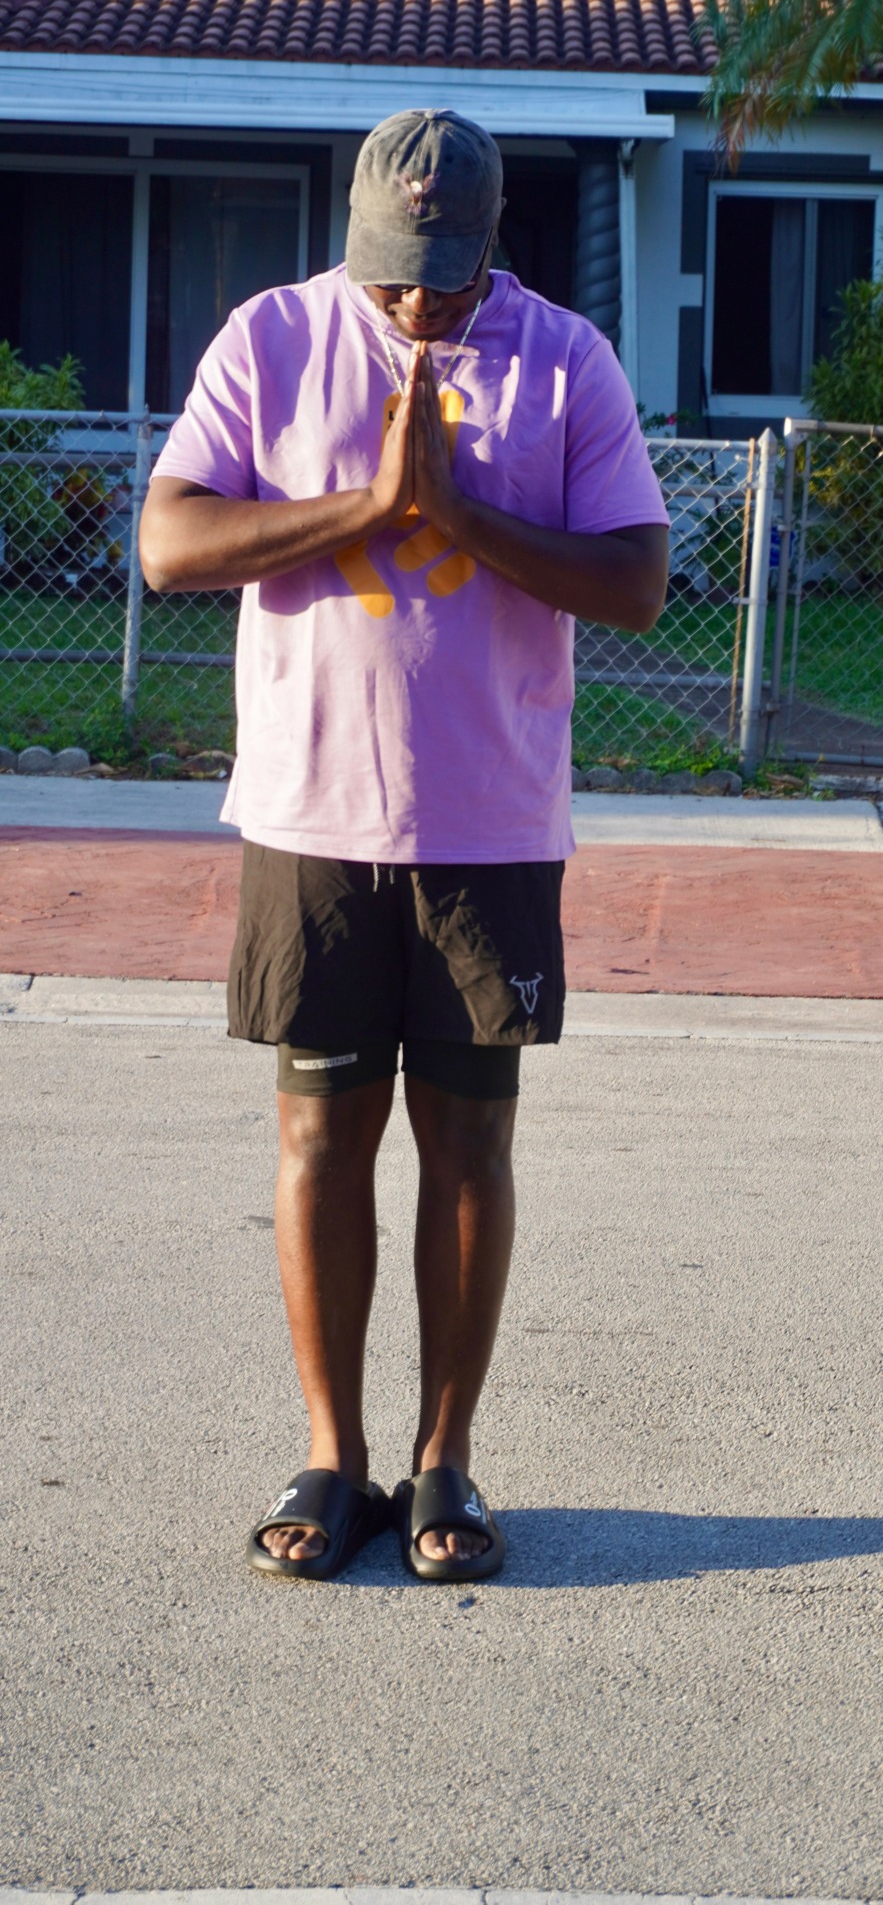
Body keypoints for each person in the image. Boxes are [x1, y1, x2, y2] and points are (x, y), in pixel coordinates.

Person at [140, 108, 669, 1584]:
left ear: (492, 237)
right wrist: (369, 506)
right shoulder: (272, 337)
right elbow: (171, 544)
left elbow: (635, 581)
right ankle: (333, 1456)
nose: (412, 301)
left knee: (470, 1145)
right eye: (388, 272)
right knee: (320, 1137)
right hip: (311, 816)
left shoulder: (565, 359)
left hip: (489, 827)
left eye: (439, 275)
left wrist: (457, 513)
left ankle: (445, 1460)